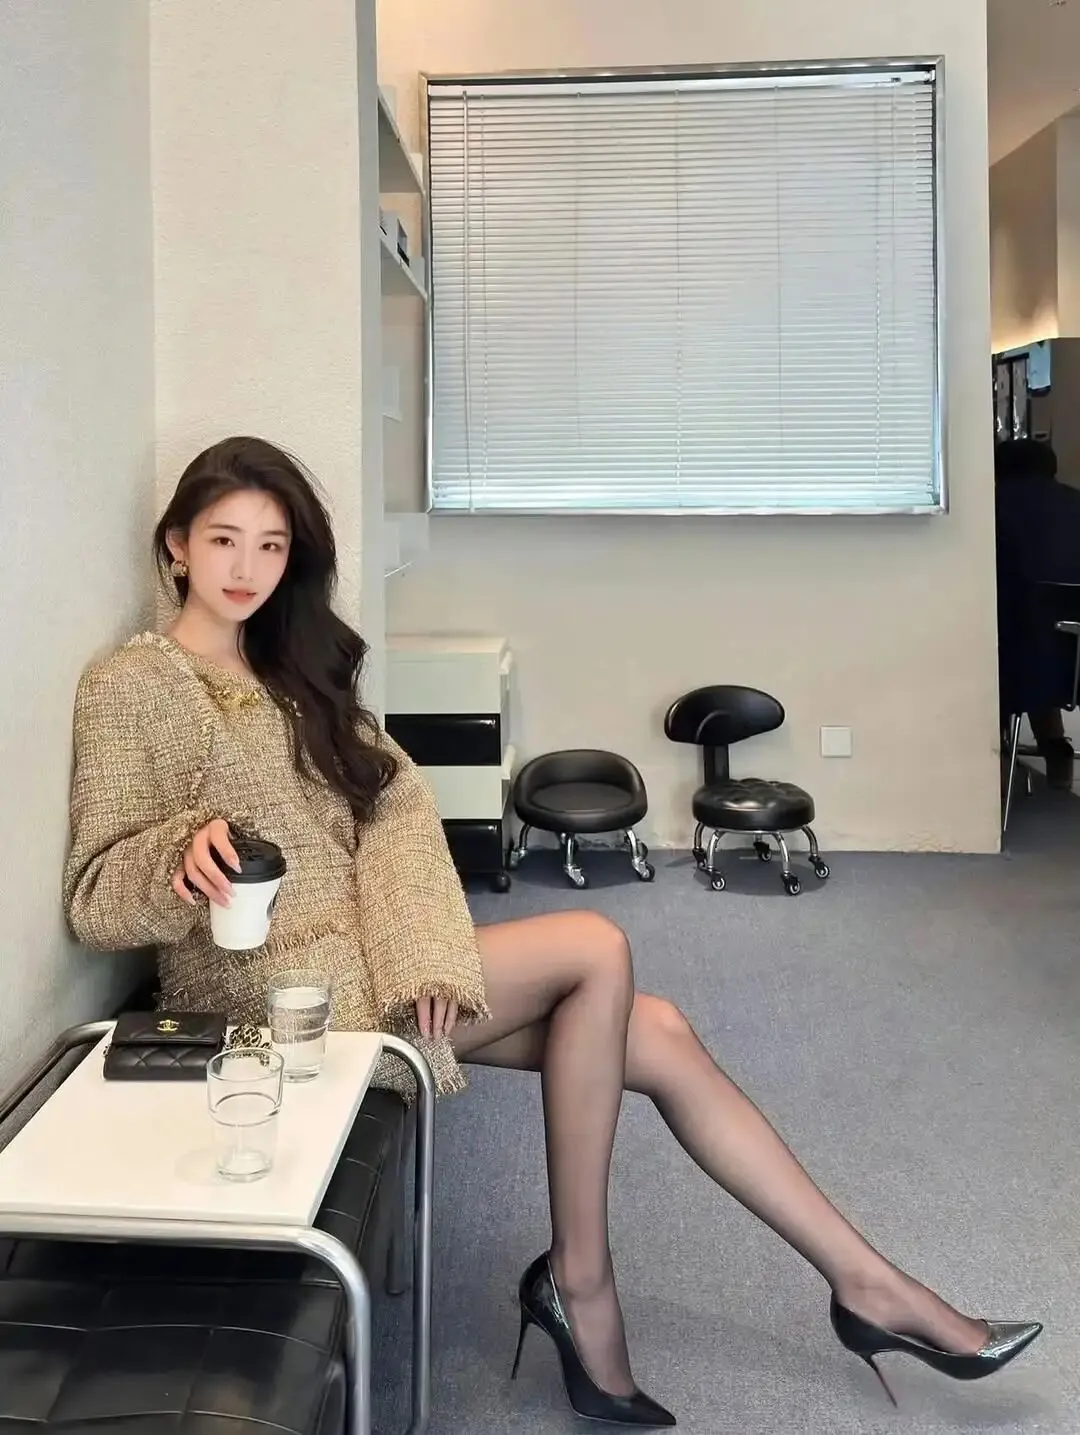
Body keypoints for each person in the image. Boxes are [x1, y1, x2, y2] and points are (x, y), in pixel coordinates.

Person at [65, 436, 1041, 1428]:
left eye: (271, 546)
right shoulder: (135, 684)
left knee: (656, 1032)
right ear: (177, 545)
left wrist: (424, 951)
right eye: (223, 540)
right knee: (593, 947)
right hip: (272, 1004)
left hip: (369, 968)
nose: (247, 567)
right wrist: (178, 855)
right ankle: (584, 1280)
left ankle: (867, 1284)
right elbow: (96, 895)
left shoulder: (291, 669)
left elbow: (396, 807)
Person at [996, 437, 1080, 789]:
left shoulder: (993, 507)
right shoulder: (1074, 503)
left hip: (1019, 661)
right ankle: (1054, 745)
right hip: (1073, 661)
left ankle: (996, 760)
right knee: (1044, 641)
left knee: (1003, 639)